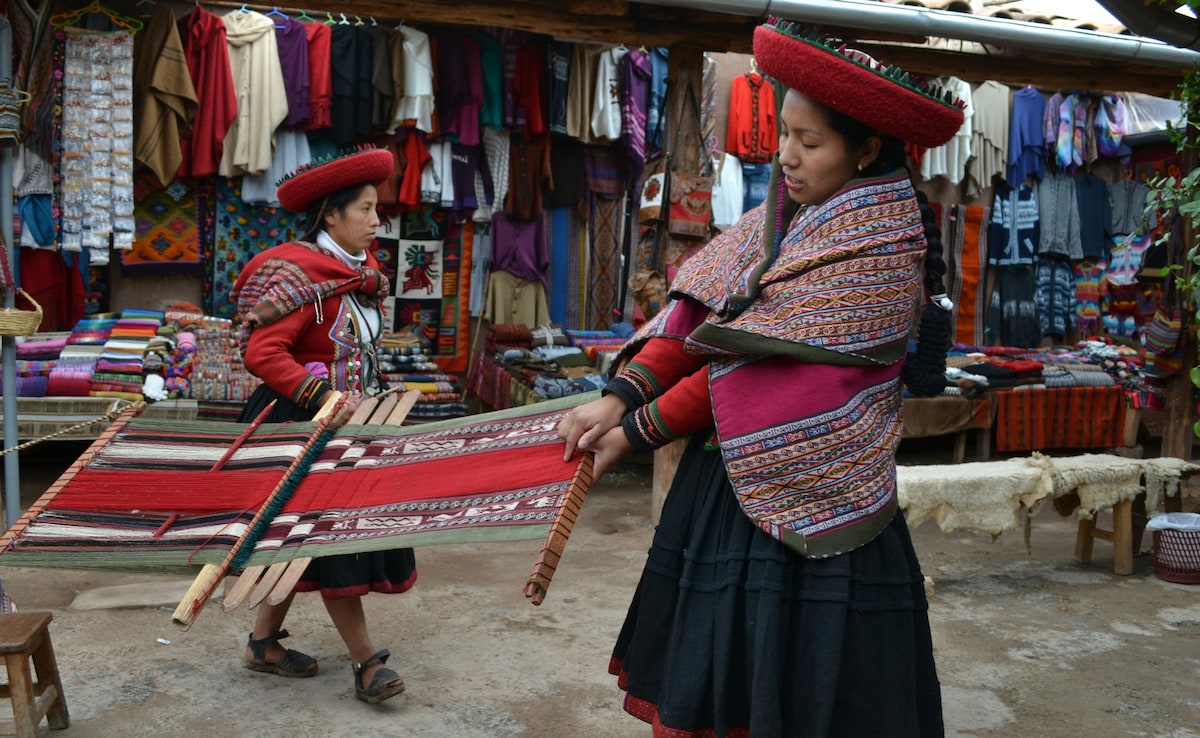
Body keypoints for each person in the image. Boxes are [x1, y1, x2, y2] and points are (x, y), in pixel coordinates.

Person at [558, 19, 964, 737]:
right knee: (723, 682)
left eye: (810, 143)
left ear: (866, 150)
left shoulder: (881, 248)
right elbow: (698, 313)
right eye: (784, 136)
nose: (788, 157)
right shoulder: (776, 218)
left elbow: (755, 367)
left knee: (809, 693)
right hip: (726, 487)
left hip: (825, 504)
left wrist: (638, 430)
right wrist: (620, 395)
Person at [230, 146, 414, 705]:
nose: (377, 220)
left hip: (348, 425)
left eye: (376, 209)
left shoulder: (358, 275)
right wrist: (323, 397)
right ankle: (366, 663)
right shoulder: (299, 275)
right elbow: (262, 352)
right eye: (365, 209)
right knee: (333, 543)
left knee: (297, 542)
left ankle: (263, 644)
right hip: (300, 425)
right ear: (331, 216)